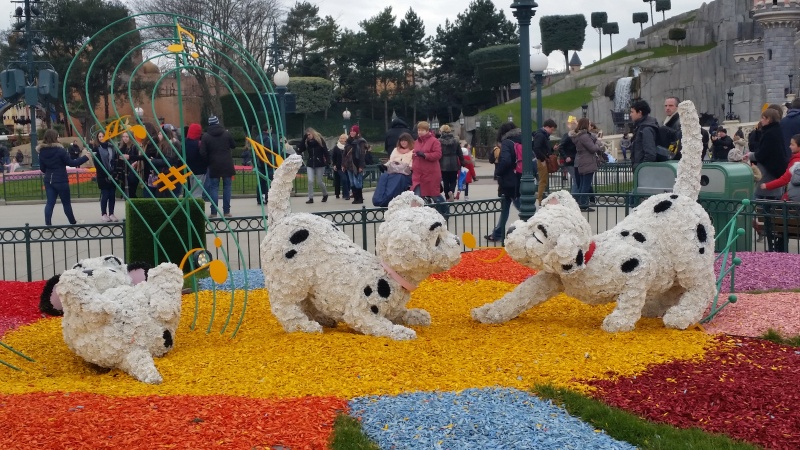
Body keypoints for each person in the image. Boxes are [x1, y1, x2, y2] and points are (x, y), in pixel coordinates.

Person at [751, 107, 790, 252]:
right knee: (770, 215)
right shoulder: (775, 131)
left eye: (763, 118)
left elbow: (762, 154)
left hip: (767, 179)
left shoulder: (769, 134)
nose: (761, 120)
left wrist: (750, 155)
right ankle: (771, 242)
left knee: (753, 206)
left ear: (769, 119)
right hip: (773, 179)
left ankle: (769, 240)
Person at [38, 129, 89, 226]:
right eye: (57, 136)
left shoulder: (42, 151)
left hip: (49, 180)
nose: (58, 138)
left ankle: (48, 224)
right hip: (61, 179)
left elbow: (42, 168)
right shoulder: (60, 150)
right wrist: (85, 157)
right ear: (54, 138)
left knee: (50, 203)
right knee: (66, 203)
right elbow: (71, 163)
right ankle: (72, 222)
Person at [486, 122, 521, 243]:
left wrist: (499, 172)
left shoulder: (507, 142)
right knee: (505, 207)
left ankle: (539, 224)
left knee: (522, 206)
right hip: (520, 176)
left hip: (509, 180)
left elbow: (506, 161)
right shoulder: (521, 140)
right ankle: (497, 233)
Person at [200, 115, 236, 218]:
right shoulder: (226, 134)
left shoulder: (206, 136)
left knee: (214, 188)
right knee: (227, 187)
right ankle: (226, 211)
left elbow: (202, 152)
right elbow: (233, 145)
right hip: (227, 164)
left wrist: (208, 161)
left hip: (213, 164)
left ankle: (214, 212)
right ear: (218, 123)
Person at [573, 118, 606, 212]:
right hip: (587, 162)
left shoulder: (579, 136)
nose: (590, 125)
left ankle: (581, 203)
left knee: (583, 184)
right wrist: (598, 142)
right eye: (589, 124)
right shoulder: (584, 136)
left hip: (582, 161)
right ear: (585, 125)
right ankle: (583, 204)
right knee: (585, 185)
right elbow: (592, 148)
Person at [759, 132, 800, 202]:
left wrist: (767, 185)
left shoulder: (796, 162)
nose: (789, 146)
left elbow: (785, 179)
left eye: (792, 145)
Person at [410, 121, 443, 202]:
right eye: (418, 130)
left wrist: (425, 155)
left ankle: (445, 211)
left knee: (434, 195)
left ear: (427, 131)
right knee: (417, 197)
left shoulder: (434, 141)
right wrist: (414, 156)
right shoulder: (417, 142)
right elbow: (414, 153)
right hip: (418, 174)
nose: (420, 132)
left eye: (422, 130)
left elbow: (438, 154)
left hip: (430, 173)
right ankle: (419, 214)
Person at [296, 127, 331, 203]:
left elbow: (325, 151)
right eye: (307, 135)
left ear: (313, 133)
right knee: (310, 180)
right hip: (310, 163)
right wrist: (304, 138)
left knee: (319, 181)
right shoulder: (307, 142)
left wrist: (328, 160)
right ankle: (310, 198)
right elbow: (299, 149)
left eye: (309, 134)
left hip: (320, 163)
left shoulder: (319, 141)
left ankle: (325, 194)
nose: (308, 136)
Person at [92, 131, 121, 222]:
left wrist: (114, 173)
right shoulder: (96, 148)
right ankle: (104, 214)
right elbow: (97, 164)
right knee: (105, 194)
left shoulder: (112, 147)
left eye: (103, 136)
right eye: (99, 136)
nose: (101, 138)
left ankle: (111, 213)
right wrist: (105, 174)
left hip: (112, 174)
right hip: (102, 175)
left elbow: (115, 160)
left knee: (112, 194)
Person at [533, 118, 557, 206]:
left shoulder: (542, 135)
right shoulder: (541, 135)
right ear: (547, 127)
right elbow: (536, 148)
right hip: (541, 160)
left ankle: (541, 198)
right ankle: (540, 199)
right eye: (551, 129)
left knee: (543, 180)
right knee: (543, 180)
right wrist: (542, 159)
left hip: (542, 159)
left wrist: (551, 149)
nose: (552, 132)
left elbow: (540, 148)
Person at [629, 100, 659, 169]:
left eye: (632, 112)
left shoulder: (646, 129)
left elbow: (650, 154)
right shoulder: (641, 127)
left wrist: (642, 169)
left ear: (640, 113)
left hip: (644, 172)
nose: (630, 115)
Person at [438, 124, 463, 201]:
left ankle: (447, 196)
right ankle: (451, 191)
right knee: (453, 180)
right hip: (454, 162)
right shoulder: (456, 140)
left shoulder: (439, 141)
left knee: (445, 181)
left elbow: (438, 153)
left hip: (443, 163)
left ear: (441, 131)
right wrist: (462, 162)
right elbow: (460, 152)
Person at [253, 124, 278, 205]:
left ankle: (260, 198)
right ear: (268, 130)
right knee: (270, 181)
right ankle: (268, 198)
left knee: (261, 181)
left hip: (260, 162)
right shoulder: (269, 139)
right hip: (269, 162)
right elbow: (277, 149)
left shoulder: (257, 138)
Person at [344, 125, 367, 204]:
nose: (352, 132)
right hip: (349, 164)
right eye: (351, 131)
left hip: (356, 164)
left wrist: (361, 166)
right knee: (352, 182)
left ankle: (359, 198)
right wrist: (343, 164)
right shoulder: (348, 141)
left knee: (357, 181)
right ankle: (355, 197)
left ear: (357, 132)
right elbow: (345, 154)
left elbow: (362, 155)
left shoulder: (360, 141)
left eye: (354, 131)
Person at [184, 123, 207, 199]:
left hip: (188, 170)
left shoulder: (185, 143)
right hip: (199, 170)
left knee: (190, 189)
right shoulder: (199, 143)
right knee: (197, 192)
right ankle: (196, 207)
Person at [117, 132, 141, 198]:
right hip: (124, 172)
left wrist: (134, 162)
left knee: (131, 191)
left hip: (132, 171)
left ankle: (134, 205)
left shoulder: (134, 147)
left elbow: (139, 157)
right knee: (127, 192)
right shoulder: (122, 148)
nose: (125, 138)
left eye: (127, 137)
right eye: (123, 137)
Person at [560, 117, 578, 192]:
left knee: (577, 180)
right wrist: (566, 157)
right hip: (570, 160)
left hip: (574, 159)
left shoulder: (574, 135)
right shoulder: (567, 135)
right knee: (576, 180)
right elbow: (561, 147)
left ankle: (576, 197)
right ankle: (574, 197)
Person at [331, 133, 350, 200]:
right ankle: (340, 194)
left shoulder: (348, 147)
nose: (342, 140)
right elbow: (333, 157)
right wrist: (334, 165)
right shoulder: (336, 147)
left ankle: (346, 193)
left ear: (346, 139)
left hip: (347, 166)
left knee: (347, 180)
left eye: (343, 138)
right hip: (338, 167)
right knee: (340, 180)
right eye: (341, 138)